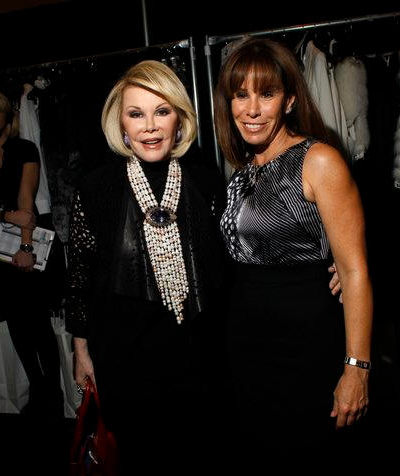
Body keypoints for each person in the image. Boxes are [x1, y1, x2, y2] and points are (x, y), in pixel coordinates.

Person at [214, 37, 373, 467]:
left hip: (306, 347)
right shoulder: (243, 170)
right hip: (248, 348)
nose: (251, 109)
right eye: (240, 95)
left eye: (266, 94)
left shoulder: (318, 160)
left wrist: (356, 368)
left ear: (288, 100)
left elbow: (355, 271)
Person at [64, 60, 229, 476]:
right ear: (120, 123)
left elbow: (230, 263)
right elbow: (80, 274)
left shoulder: (206, 181)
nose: (150, 127)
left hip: (197, 358)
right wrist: (81, 350)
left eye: (162, 111)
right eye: (136, 114)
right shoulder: (96, 188)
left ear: (180, 119)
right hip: (125, 361)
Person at [0, 88, 63, 421]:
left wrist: (25, 247)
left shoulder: (24, 148)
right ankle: (36, 387)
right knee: (16, 324)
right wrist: (7, 216)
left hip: (25, 244)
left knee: (38, 322)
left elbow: (27, 200)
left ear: (7, 114)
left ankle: (54, 392)